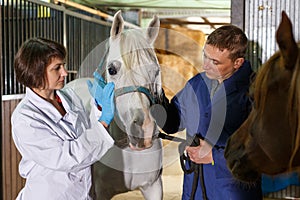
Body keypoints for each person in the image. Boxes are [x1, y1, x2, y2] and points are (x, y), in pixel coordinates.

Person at [152, 25, 262, 199]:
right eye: (205, 56)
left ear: (237, 62)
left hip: (231, 191)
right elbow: (172, 123)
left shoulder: (256, 92)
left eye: (215, 62)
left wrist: (214, 156)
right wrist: (155, 100)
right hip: (194, 188)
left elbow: (260, 152)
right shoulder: (197, 84)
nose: (205, 65)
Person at [11, 37, 115, 200]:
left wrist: (99, 110)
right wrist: (103, 123)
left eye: (63, 66)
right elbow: (67, 157)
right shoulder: (25, 119)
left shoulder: (69, 97)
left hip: (82, 192)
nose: (64, 73)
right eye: (57, 68)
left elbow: (86, 133)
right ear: (36, 72)